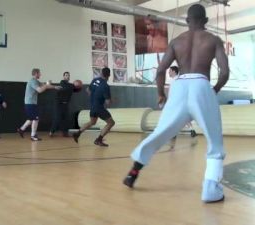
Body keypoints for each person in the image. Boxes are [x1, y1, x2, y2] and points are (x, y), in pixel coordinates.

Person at [123, 4, 229, 203]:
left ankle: (133, 172)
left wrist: (161, 93)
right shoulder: (213, 40)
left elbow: (161, 71)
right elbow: (224, 72)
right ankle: (210, 189)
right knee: (214, 141)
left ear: (187, 21)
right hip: (201, 83)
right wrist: (212, 91)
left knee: (160, 132)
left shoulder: (176, 42)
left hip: (178, 87)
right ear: (205, 21)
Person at [72, 67, 115, 147]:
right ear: (109, 75)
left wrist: (93, 97)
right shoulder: (105, 86)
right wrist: (113, 101)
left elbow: (88, 90)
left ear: (101, 73)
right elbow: (108, 102)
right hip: (99, 107)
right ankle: (98, 140)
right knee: (111, 123)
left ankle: (77, 133)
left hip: (92, 106)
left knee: (92, 122)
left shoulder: (95, 80)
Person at [17, 68, 60, 141]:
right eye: (39, 73)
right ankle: (33, 136)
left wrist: (55, 87)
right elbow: (40, 90)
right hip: (30, 103)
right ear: (36, 73)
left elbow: (44, 86)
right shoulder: (33, 81)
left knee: (31, 119)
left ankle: (21, 129)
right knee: (36, 119)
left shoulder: (36, 81)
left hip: (30, 103)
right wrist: (46, 85)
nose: (40, 74)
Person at [168, 66, 197, 138]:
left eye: (170, 71)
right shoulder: (175, 80)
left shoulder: (177, 80)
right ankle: (192, 130)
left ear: (174, 71)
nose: (169, 72)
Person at [49, 72, 76, 137]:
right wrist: (74, 85)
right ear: (63, 77)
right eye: (66, 75)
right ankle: (51, 131)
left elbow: (74, 88)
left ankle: (65, 132)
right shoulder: (62, 83)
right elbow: (67, 87)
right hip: (59, 104)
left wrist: (75, 85)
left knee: (66, 118)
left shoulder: (70, 85)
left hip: (65, 104)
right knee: (57, 118)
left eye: (68, 75)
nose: (68, 76)